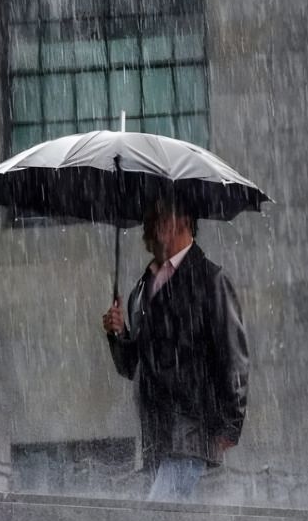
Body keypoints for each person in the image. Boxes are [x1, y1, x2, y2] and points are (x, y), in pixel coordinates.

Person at [101, 195, 249, 502]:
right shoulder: (142, 289)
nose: (151, 226)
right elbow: (134, 366)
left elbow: (233, 354)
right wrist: (119, 334)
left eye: (161, 216)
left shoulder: (210, 280)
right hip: (156, 434)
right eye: (149, 218)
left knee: (156, 520)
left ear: (184, 220)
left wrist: (230, 424)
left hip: (191, 430)